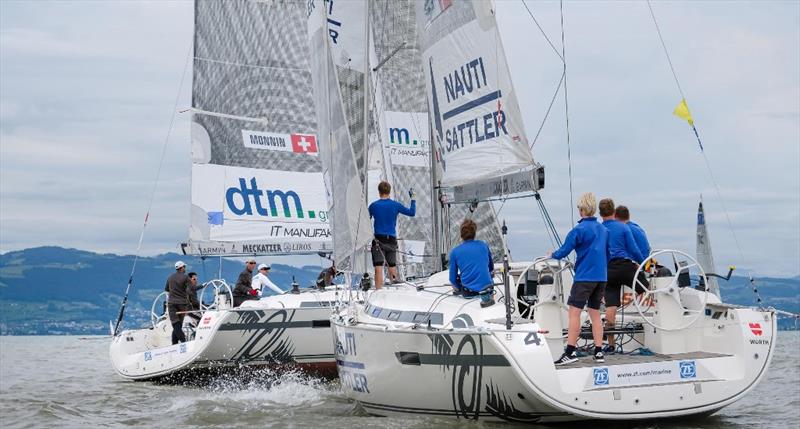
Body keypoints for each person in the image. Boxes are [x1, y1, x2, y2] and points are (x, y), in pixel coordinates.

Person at [549, 192, 608, 366]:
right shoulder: (604, 230)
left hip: (584, 277)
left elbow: (563, 251)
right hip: (601, 277)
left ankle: (570, 351)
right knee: (595, 314)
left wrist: (552, 254)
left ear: (582, 210)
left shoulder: (579, 230)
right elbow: (608, 253)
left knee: (574, 313)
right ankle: (598, 352)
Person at [601, 199, 648, 353]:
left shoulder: (599, 229)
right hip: (625, 266)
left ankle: (611, 344)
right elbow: (634, 250)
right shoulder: (623, 227)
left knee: (611, 306)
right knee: (646, 287)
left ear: (600, 214)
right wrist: (644, 265)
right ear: (613, 212)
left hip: (608, 270)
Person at [368, 181, 416, 288]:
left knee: (378, 267)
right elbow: (412, 213)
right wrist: (413, 198)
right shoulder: (395, 205)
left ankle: (378, 292)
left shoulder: (373, 206)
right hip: (391, 240)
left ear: (379, 191)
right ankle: (394, 292)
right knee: (392, 266)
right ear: (389, 191)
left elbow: (366, 221)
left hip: (378, 240)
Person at [449, 219, 495, 307]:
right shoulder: (483, 245)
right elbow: (491, 269)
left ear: (461, 234)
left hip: (469, 293)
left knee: (458, 281)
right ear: (474, 233)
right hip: (488, 289)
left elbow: (452, 280)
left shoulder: (455, 252)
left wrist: (459, 288)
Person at [165, 261, 191, 344]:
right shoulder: (185, 277)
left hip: (172, 303)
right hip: (182, 304)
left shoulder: (170, 277)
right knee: (178, 325)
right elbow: (191, 289)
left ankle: (174, 343)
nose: (185, 269)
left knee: (176, 324)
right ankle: (184, 342)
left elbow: (166, 290)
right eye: (184, 267)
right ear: (182, 267)